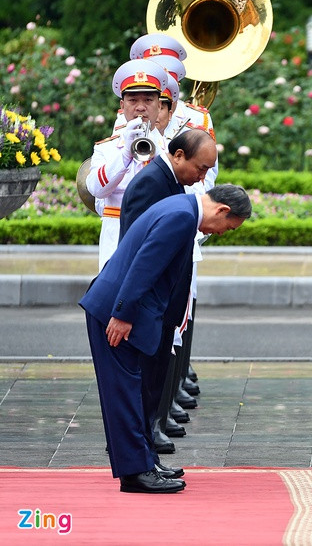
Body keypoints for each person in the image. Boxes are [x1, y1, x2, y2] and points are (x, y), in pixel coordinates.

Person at [79, 184, 251, 493]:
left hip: (119, 309)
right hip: (114, 312)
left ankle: (144, 463)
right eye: (228, 227)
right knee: (124, 393)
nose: (223, 233)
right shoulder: (182, 216)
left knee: (132, 390)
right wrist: (122, 314)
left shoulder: (181, 207)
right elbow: (142, 268)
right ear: (222, 210)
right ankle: (135, 474)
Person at [119, 129, 219, 457]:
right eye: (200, 169)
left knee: (156, 375)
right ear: (178, 156)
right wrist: (131, 308)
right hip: (148, 302)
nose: (203, 176)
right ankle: (137, 451)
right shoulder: (152, 183)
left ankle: (145, 446)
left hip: (163, 300)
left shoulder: (174, 182)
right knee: (144, 379)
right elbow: (138, 253)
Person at [85, 59, 170, 270]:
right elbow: (96, 189)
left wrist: (157, 149)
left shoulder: (170, 149)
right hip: (116, 241)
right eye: (133, 100)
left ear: (159, 105)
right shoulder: (106, 149)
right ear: (122, 106)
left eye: (148, 100)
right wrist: (125, 153)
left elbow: (183, 190)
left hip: (158, 235)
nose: (140, 107)